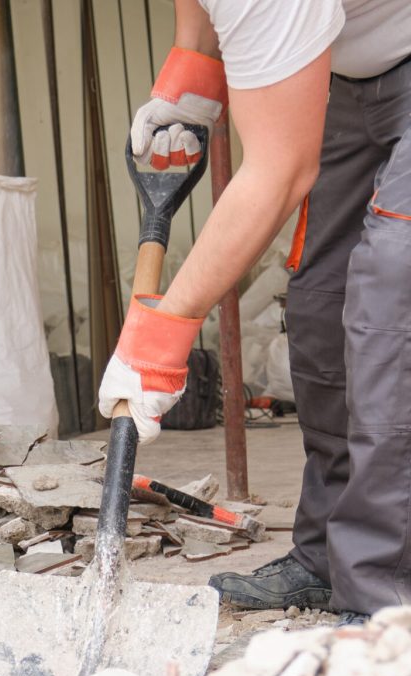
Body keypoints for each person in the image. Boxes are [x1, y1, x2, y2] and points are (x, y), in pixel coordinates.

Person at [98, 0, 411, 623]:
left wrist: (159, 342)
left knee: (389, 305)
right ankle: (327, 558)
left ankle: (385, 594)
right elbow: (200, 14)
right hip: (349, 81)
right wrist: (188, 87)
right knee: (322, 302)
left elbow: (280, 171)